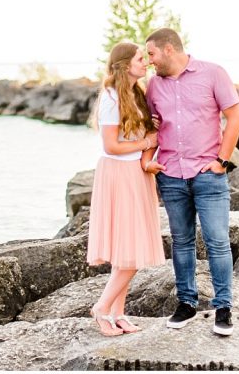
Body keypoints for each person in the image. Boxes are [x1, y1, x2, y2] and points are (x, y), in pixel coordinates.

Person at [144, 27, 239, 336]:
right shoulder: (153, 86)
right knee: (181, 242)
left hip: (207, 174)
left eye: (151, 54)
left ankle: (223, 307)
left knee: (216, 241)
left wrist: (222, 161)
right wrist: (147, 158)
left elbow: (235, 116)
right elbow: (151, 125)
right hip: (171, 174)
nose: (149, 61)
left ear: (169, 49)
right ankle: (186, 303)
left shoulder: (213, 74)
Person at [86, 41, 167, 336]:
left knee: (127, 250)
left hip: (136, 173)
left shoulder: (135, 93)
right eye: (139, 59)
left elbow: (136, 132)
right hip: (118, 173)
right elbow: (111, 145)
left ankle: (118, 312)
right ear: (124, 65)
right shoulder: (110, 96)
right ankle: (102, 308)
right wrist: (147, 142)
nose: (145, 63)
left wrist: (150, 127)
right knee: (132, 250)